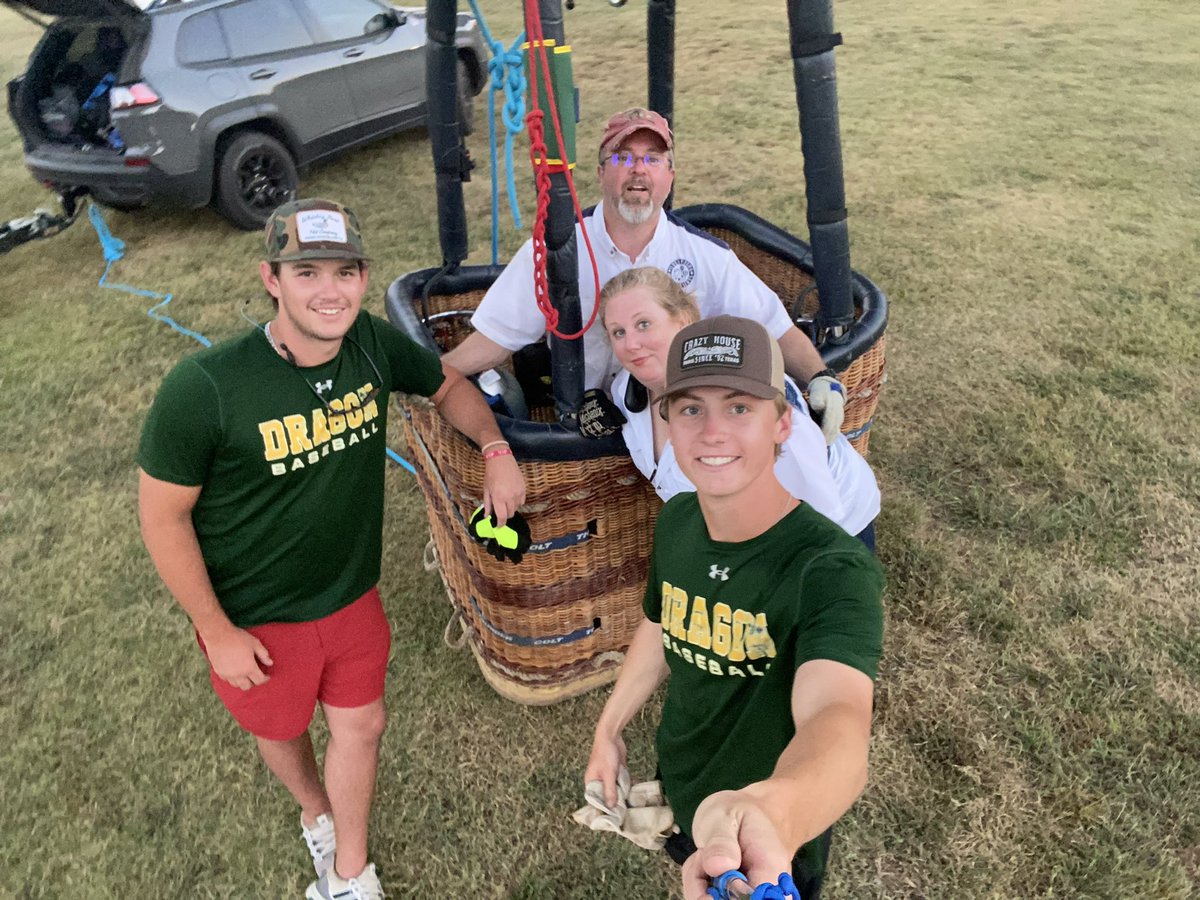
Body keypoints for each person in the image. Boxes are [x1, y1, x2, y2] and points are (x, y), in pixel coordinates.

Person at [137, 199, 524, 900]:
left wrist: (495, 448)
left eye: (344, 272)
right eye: (306, 270)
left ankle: (349, 872)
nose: (329, 290)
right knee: (280, 728)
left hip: (350, 594)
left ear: (362, 277)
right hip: (255, 615)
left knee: (364, 724)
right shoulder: (204, 389)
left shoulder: (372, 343)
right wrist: (216, 630)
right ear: (271, 279)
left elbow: (446, 385)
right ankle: (314, 811)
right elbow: (163, 520)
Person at [583, 315, 884, 900]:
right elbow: (661, 619)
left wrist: (770, 814)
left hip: (769, 843)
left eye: (740, 407)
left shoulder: (830, 569)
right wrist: (610, 728)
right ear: (666, 423)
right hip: (685, 784)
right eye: (690, 408)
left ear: (783, 422)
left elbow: (839, 721)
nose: (712, 432)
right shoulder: (678, 520)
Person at [442, 106, 848, 443]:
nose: (638, 170)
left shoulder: (703, 255)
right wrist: (433, 376)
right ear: (601, 173)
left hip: (671, 420)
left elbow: (774, 327)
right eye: (622, 158)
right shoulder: (556, 250)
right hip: (583, 423)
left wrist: (820, 377)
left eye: (652, 159)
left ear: (669, 177)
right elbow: (496, 339)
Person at [600, 266, 880, 548]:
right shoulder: (626, 389)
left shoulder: (748, 393)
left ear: (683, 320)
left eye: (644, 324)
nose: (631, 344)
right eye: (618, 332)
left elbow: (816, 512)